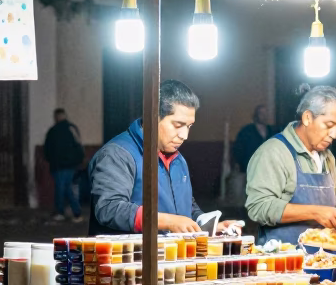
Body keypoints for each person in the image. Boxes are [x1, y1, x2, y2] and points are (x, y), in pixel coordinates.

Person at [88, 80, 235, 235]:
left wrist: (207, 225)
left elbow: (185, 208)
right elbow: (109, 208)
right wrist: (168, 222)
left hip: (169, 257)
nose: (184, 135)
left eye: (189, 126)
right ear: (153, 117)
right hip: (131, 257)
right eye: (178, 125)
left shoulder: (178, 160)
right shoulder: (117, 154)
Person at [245, 84, 336, 244]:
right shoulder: (274, 152)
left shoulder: (327, 157)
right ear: (307, 118)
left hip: (324, 259)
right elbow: (259, 207)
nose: (334, 134)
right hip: (284, 260)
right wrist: (314, 212)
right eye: (329, 125)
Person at [43, 108, 84, 222]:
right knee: (68, 188)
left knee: (61, 189)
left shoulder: (53, 131)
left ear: (56, 117)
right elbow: (79, 146)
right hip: (70, 165)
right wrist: (79, 161)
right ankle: (75, 213)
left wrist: (50, 160)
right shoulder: (72, 128)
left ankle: (62, 212)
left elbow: (47, 149)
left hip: (58, 165)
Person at [232, 105, 275, 172]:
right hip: (250, 168)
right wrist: (239, 164)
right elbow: (238, 149)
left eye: (266, 113)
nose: (264, 116)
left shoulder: (271, 131)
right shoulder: (246, 131)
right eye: (261, 113)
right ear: (256, 115)